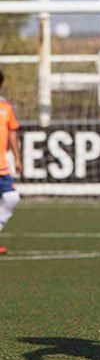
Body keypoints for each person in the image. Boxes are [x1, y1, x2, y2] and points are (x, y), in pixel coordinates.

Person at [0, 70, 21, 254]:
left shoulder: (5, 108)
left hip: (2, 166)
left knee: (12, 198)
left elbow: (13, 132)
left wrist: (17, 158)